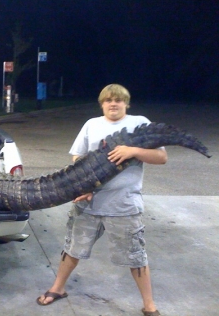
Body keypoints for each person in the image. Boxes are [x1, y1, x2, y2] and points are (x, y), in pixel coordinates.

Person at [37, 84, 167, 316]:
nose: (113, 104)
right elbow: (78, 158)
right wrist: (85, 187)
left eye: (118, 100)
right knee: (72, 249)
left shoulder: (139, 123)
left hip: (124, 204)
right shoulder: (91, 124)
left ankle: (149, 305)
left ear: (127, 103)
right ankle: (58, 288)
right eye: (108, 100)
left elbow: (161, 157)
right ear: (102, 104)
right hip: (88, 203)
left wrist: (133, 151)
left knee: (136, 256)